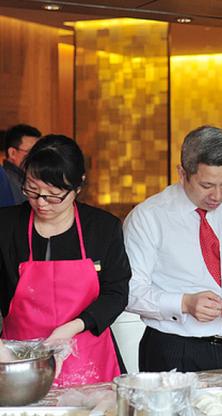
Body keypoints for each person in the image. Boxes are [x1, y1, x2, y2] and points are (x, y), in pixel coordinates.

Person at [124, 125, 222, 372]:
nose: (217, 196)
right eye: (207, 185)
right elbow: (130, 290)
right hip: (172, 349)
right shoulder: (148, 217)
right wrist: (184, 304)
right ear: (182, 173)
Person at [0, 134, 130, 386]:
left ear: (78, 186)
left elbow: (116, 293)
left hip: (88, 354)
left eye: (53, 195)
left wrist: (72, 328)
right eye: (32, 190)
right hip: (18, 360)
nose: (41, 203)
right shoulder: (6, 226)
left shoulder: (103, 228)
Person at [3, 124, 41, 204]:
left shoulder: (28, 179)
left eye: (39, 152)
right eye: (31, 151)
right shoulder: (6, 182)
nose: (37, 156)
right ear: (12, 153)